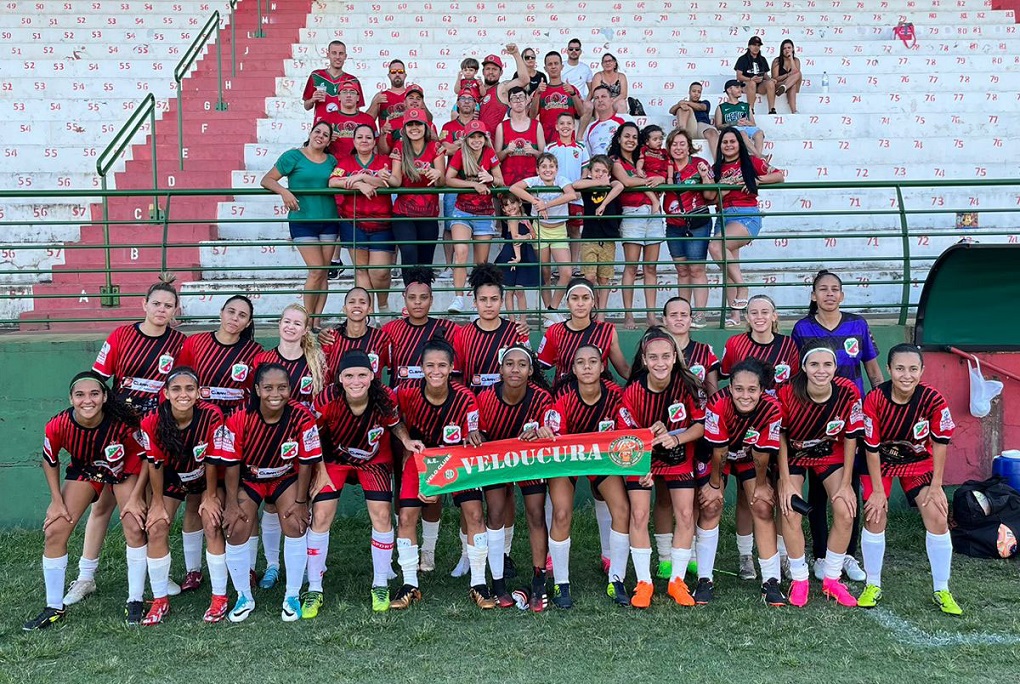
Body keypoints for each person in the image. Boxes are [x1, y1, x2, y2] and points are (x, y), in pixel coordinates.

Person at [61, 276, 186, 609]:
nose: (162, 310)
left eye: (168, 305)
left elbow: (182, 387)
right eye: (156, 303)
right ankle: (85, 576)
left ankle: (157, 570)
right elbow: (97, 381)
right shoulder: (121, 336)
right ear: (144, 305)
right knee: (103, 504)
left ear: (176, 311)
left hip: (156, 431)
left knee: (146, 501)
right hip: (117, 431)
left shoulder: (180, 344)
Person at [23, 371, 147, 630]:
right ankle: (54, 607)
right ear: (71, 398)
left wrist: (136, 497)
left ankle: (135, 599)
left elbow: (147, 456)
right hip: (87, 469)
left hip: (125, 469)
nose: (86, 400)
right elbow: (50, 459)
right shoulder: (58, 425)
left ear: (104, 397)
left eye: (94, 394)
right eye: (80, 395)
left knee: (134, 524)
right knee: (55, 530)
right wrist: (56, 501)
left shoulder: (123, 422)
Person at [309, 350, 420, 615]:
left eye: (362, 374)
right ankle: (314, 587)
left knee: (382, 515)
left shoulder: (385, 398)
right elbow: (310, 435)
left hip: (373, 459)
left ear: (372, 376)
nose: (356, 381)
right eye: (349, 376)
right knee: (321, 514)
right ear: (340, 379)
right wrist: (320, 470)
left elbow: (395, 424)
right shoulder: (326, 399)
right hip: (334, 459)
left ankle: (380, 582)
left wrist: (405, 441)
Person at [792, 270, 884, 583]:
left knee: (851, 487)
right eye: (823, 289)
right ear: (814, 295)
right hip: (816, 420)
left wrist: (880, 401)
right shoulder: (802, 328)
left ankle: (848, 554)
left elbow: (872, 368)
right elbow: (797, 374)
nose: (830, 294)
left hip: (851, 419)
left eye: (835, 289)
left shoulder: (857, 324)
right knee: (818, 489)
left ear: (842, 296)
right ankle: (820, 554)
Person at [859, 344, 962, 615]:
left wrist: (937, 486)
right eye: (900, 368)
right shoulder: (875, 399)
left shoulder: (933, 399)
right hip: (880, 463)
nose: (907, 375)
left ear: (922, 371)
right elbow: (870, 448)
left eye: (913, 369)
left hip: (917, 464)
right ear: (889, 369)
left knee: (938, 516)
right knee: (874, 514)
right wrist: (879, 492)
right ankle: (872, 584)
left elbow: (941, 443)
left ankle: (942, 589)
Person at [217, 363, 322, 623]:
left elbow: (307, 461)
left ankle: (292, 595)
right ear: (257, 389)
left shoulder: (301, 416)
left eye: (282, 387)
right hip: (251, 478)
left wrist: (301, 501)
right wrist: (231, 503)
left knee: (297, 524)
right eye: (268, 388)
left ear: (290, 389)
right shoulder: (240, 417)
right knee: (237, 526)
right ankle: (243, 596)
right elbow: (230, 466)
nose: (276, 394)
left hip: (284, 477)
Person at [394, 338, 488, 609]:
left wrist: (474, 435)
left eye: (442, 366)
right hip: (420, 460)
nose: (436, 371)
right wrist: (405, 440)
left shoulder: (465, 398)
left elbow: (474, 432)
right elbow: (393, 419)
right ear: (421, 367)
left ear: (451, 368)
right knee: (406, 516)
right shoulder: (407, 392)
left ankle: (479, 583)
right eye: (430, 365)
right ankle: (410, 583)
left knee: (474, 514)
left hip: (457, 459)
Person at [617, 328, 706, 609]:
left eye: (666, 356)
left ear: (674, 357)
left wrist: (675, 437)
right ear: (644, 359)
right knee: (639, 514)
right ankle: (644, 582)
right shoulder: (632, 392)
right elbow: (626, 437)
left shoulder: (688, 385)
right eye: (653, 357)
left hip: (678, 458)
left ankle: (676, 580)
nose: (660, 362)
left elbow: (700, 426)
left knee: (685, 514)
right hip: (642, 461)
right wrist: (641, 462)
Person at [381, 267, 462, 571]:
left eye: (423, 297)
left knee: (433, 486)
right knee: (402, 487)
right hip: (403, 420)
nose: (417, 302)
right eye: (412, 297)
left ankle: (428, 549)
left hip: (439, 417)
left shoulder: (447, 329)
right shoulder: (391, 331)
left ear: (432, 299)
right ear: (404, 299)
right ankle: (403, 548)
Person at [540, 344, 632, 606]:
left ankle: (617, 579)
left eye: (593, 361)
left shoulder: (616, 396)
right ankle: (561, 584)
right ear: (574, 368)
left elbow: (628, 431)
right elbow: (555, 437)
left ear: (603, 366)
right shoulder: (564, 398)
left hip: (603, 462)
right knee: (561, 513)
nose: (588, 367)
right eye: (581, 362)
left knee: (622, 509)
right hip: (569, 462)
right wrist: (547, 432)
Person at [138, 367, 228, 625]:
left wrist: (210, 496)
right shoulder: (151, 421)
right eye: (176, 389)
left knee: (211, 522)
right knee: (156, 527)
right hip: (173, 478)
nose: (183, 394)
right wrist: (156, 504)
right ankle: (159, 601)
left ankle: (219, 598)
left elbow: (212, 458)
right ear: (165, 393)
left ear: (198, 392)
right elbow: (154, 464)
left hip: (206, 477)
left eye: (189, 388)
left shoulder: (211, 415)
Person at [776, 343, 862, 608]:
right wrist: (786, 482)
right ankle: (800, 579)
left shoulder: (848, 391)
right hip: (795, 455)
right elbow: (779, 436)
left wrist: (846, 483)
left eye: (827, 365)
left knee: (846, 510)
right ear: (803, 367)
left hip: (829, 455)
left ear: (836, 367)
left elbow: (851, 437)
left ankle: (832, 579)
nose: (821, 370)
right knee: (790, 509)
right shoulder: (788, 392)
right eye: (814, 364)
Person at [249, 304, 326, 589]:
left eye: (298, 323)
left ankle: (311, 563)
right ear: (279, 324)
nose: (291, 327)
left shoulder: (315, 359)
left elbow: (322, 403)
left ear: (306, 329)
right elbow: (254, 401)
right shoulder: (263, 359)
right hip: (272, 441)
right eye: (286, 321)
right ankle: (272, 565)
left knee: (308, 501)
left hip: (307, 441)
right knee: (271, 505)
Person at [700, 358, 786, 606]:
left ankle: (771, 581)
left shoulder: (772, 408)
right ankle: (704, 579)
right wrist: (715, 485)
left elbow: (762, 453)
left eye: (752, 389)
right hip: (720, 457)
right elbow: (719, 451)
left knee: (762, 506)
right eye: (738, 389)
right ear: (730, 387)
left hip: (750, 456)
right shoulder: (718, 403)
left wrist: (761, 485)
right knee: (711, 505)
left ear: (762, 390)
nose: (745, 395)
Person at [475, 344, 554, 610]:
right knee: (495, 513)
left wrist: (542, 431)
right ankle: (497, 582)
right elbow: (480, 433)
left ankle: (539, 580)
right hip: (497, 462)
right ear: (500, 369)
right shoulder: (485, 397)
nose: (515, 369)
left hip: (530, 463)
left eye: (522, 364)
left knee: (535, 514)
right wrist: (477, 436)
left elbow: (550, 428)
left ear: (531, 370)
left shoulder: (542, 398)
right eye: (509, 364)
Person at [655, 296, 720, 576]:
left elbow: (713, 392)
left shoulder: (704, 351)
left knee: (691, 496)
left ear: (691, 319)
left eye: (684, 314)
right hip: (665, 434)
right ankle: (665, 557)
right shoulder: (656, 349)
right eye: (673, 314)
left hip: (698, 432)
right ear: (665, 319)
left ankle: (690, 551)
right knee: (663, 498)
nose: (679, 318)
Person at [261, 121, 339, 327]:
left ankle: (316, 320)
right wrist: (285, 191)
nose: (320, 136)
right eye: (318, 131)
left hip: (329, 220)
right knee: (315, 270)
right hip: (302, 220)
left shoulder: (331, 160)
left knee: (323, 273)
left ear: (330, 140)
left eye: (325, 134)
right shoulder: (292, 156)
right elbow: (267, 180)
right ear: (310, 133)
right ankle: (306, 319)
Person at [707, 127, 784, 324]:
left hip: (745, 214)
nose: (729, 145)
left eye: (733, 141)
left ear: (739, 144)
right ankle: (735, 315)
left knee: (716, 246)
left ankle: (743, 287)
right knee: (729, 266)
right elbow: (710, 198)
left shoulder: (751, 162)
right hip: (723, 216)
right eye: (725, 142)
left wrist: (755, 180)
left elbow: (779, 175)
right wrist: (725, 186)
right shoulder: (715, 168)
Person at [329, 124, 395, 314]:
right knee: (361, 271)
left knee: (380, 272)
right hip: (353, 222)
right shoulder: (345, 162)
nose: (364, 141)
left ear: (374, 141)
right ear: (354, 141)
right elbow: (333, 181)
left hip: (382, 223)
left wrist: (362, 177)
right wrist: (359, 183)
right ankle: (369, 314)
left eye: (368, 137)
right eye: (360, 137)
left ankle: (382, 306)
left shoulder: (384, 161)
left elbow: (389, 183)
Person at [509, 153, 578, 326]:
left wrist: (545, 205)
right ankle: (549, 315)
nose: (548, 170)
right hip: (540, 230)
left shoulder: (561, 180)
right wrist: (534, 201)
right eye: (544, 167)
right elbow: (514, 188)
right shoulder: (534, 181)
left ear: (556, 169)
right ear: (537, 169)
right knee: (545, 273)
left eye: (551, 166)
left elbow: (572, 195)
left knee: (566, 272)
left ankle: (551, 310)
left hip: (559, 230)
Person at [608, 121, 664, 330]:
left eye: (634, 136)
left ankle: (651, 316)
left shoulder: (647, 159)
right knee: (631, 266)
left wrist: (658, 177)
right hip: (632, 213)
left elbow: (662, 176)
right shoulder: (615, 160)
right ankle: (629, 316)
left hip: (654, 212)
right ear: (619, 138)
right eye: (627, 136)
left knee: (651, 267)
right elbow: (627, 182)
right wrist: (653, 179)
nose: (630, 140)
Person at [445, 119, 504, 313]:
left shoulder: (490, 153)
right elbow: (448, 179)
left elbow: (501, 182)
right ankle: (458, 298)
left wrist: (491, 179)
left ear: (485, 138)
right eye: (473, 136)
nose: (477, 140)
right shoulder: (461, 154)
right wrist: (473, 184)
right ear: (467, 139)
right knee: (460, 252)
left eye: (480, 136)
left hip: (484, 213)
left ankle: (476, 302)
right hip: (462, 210)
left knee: (481, 263)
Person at [662, 129, 714, 326]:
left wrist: (704, 177)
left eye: (682, 143)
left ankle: (699, 314)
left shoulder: (700, 164)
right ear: (669, 146)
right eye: (674, 144)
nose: (678, 147)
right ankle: (682, 314)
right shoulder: (664, 166)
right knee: (682, 270)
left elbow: (710, 197)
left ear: (689, 146)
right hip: (673, 224)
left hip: (697, 222)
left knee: (696, 269)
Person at [177, 295, 263, 413]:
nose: (235, 318)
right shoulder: (195, 342)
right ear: (221, 313)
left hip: (236, 418)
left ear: (248, 323)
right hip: (198, 414)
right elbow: (178, 378)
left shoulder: (254, 351)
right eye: (231, 312)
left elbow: (256, 390)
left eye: (242, 315)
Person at [454, 264, 531, 395]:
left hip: (509, 407)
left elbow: (529, 374)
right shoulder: (463, 334)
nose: (488, 305)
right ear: (475, 302)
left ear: (501, 301)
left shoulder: (517, 332)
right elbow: (457, 376)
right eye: (483, 299)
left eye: (494, 299)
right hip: (474, 406)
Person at [537, 278, 630, 382]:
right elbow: (539, 367)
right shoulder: (554, 331)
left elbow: (624, 370)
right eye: (575, 298)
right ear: (567, 303)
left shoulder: (607, 331)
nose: (580, 304)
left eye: (585, 298)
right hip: (564, 394)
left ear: (593, 302)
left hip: (599, 394)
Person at [389, 107, 447, 274]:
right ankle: (410, 295)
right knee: (408, 253)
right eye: (410, 124)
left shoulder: (435, 146)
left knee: (425, 261)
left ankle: (424, 297)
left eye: (418, 124)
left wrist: (438, 174)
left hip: (428, 212)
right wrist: (384, 176)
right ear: (404, 128)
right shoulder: (399, 146)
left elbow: (441, 182)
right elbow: (396, 180)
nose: (414, 128)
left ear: (426, 126)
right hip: (403, 211)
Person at [572, 155, 624, 316]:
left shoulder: (612, 184)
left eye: (603, 171)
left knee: (604, 278)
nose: (600, 174)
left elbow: (620, 186)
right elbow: (575, 184)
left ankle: (601, 313)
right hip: (589, 237)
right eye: (596, 171)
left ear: (609, 173)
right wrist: (598, 182)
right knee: (590, 276)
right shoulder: (588, 185)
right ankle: (590, 309)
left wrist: (603, 204)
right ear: (590, 171)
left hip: (607, 238)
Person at [439, 89, 481, 271]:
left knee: (476, 225)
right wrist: (465, 145)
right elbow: (444, 149)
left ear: (475, 104)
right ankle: (449, 266)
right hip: (454, 181)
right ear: (457, 103)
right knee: (449, 226)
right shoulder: (448, 126)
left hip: (477, 180)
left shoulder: (481, 125)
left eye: (470, 99)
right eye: (462, 99)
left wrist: (457, 145)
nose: (465, 102)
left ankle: (468, 265)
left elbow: (485, 149)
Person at [545, 112, 591, 273]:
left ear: (573, 126)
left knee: (574, 231)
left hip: (575, 197)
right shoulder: (550, 148)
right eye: (562, 123)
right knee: (558, 230)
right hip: (557, 197)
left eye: (569, 123)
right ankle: (561, 266)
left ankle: (574, 264)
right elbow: (546, 170)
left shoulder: (580, 147)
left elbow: (586, 169)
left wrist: (579, 188)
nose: (565, 126)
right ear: (557, 127)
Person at [320, 286, 392, 383]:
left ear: (370, 309)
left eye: (362, 302)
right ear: (344, 309)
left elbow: (393, 368)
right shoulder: (331, 338)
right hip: (337, 396)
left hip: (372, 396)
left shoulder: (381, 338)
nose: (357, 305)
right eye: (352, 302)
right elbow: (325, 376)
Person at [493, 186, 541, 319]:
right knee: (510, 290)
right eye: (506, 206)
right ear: (503, 209)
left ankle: (522, 321)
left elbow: (533, 235)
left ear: (520, 203)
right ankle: (513, 321)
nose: (510, 207)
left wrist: (526, 237)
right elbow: (515, 239)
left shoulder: (525, 217)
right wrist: (518, 257)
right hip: (512, 254)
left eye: (513, 203)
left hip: (523, 253)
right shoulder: (513, 219)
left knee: (519, 290)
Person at [494, 86, 544, 189]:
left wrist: (534, 151)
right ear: (509, 103)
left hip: (531, 183)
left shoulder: (536, 125)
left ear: (526, 101)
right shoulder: (501, 127)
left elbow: (544, 156)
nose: (518, 101)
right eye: (514, 98)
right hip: (508, 184)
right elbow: (496, 159)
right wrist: (506, 151)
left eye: (521, 97)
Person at [302, 40, 364, 120]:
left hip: (342, 129)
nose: (338, 57)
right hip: (321, 128)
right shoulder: (316, 76)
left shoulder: (352, 80)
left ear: (345, 56)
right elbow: (306, 106)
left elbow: (357, 110)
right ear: (328, 55)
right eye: (334, 53)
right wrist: (312, 100)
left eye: (341, 53)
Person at [477, 45, 531, 135]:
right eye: (488, 69)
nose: (490, 72)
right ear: (483, 72)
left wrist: (516, 54)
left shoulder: (502, 88)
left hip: (493, 143)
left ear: (501, 72)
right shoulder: (475, 89)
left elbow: (524, 80)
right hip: (474, 142)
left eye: (494, 69)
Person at [531, 51, 584, 141]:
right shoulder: (541, 90)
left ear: (562, 66)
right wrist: (537, 94)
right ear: (545, 68)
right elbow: (532, 116)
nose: (553, 66)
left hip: (568, 141)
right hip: (547, 141)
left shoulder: (571, 89)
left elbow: (581, 113)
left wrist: (573, 94)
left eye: (556, 63)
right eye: (550, 64)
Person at [320, 81, 377, 159]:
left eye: (352, 92)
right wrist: (327, 138)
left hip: (359, 164)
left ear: (358, 98)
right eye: (344, 92)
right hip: (334, 162)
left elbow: (376, 146)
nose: (348, 95)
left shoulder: (368, 119)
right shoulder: (328, 118)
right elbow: (315, 143)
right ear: (339, 97)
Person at [713, 80, 765, 158]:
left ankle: (757, 157)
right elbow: (718, 125)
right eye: (737, 87)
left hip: (746, 127)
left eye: (740, 87)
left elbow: (753, 124)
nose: (740, 89)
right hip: (732, 129)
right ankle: (759, 157)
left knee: (759, 133)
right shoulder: (721, 107)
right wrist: (734, 123)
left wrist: (747, 122)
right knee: (742, 133)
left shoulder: (746, 105)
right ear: (729, 90)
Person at [580, 85, 631, 157]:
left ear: (611, 100)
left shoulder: (625, 119)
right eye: (596, 98)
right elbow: (588, 155)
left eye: (603, 96)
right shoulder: (590, 127)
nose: (600, 100)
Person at [669, 82, 719, 151]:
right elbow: (671, 111)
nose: (696, 94)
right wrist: (679, 104)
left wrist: (686, 103)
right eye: (694, 91)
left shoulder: (704, 102)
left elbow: (702, 107)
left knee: (712, 132)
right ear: (689, 92)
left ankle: (718, 161)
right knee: (683, 109)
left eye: (699, 92)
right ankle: (681, 133)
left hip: (702, 126)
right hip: (689, 128)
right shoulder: (684, 105)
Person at [735, 36, 776, 113]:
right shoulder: (742, 59)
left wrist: (770, 80)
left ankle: (772, 109)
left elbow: (765, 75)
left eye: (758, 45)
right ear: (749, 46)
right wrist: (750, 79)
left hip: (760, 85)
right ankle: (751, 109)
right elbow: (739, 76)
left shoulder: (762, 59)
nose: (756, 47)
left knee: (770, 83)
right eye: (754, 45)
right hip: (746, 85)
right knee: (752, 83)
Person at [367, 59, 411, 128]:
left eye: (400, 71)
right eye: (393, 72)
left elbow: (428, 119)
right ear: (389, 75)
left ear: (405, 75)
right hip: (386, 138)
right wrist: (375, 103)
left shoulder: (412, 95)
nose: (397, 74)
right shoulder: (381, 96)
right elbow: (367, 121)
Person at [771, 39, 803, 114]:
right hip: (780, 84)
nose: (787, 50)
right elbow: (774, 78)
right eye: (784, 48)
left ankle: (785, 87)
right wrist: (787, 75)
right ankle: (794, 111)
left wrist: (791, 58)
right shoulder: (777, 61)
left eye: (789, 48)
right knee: (792, 85)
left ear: (793, 49)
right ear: (781, 50)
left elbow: (796, 73)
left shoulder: (796, 60)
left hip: (791, 85)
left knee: (798, 74)